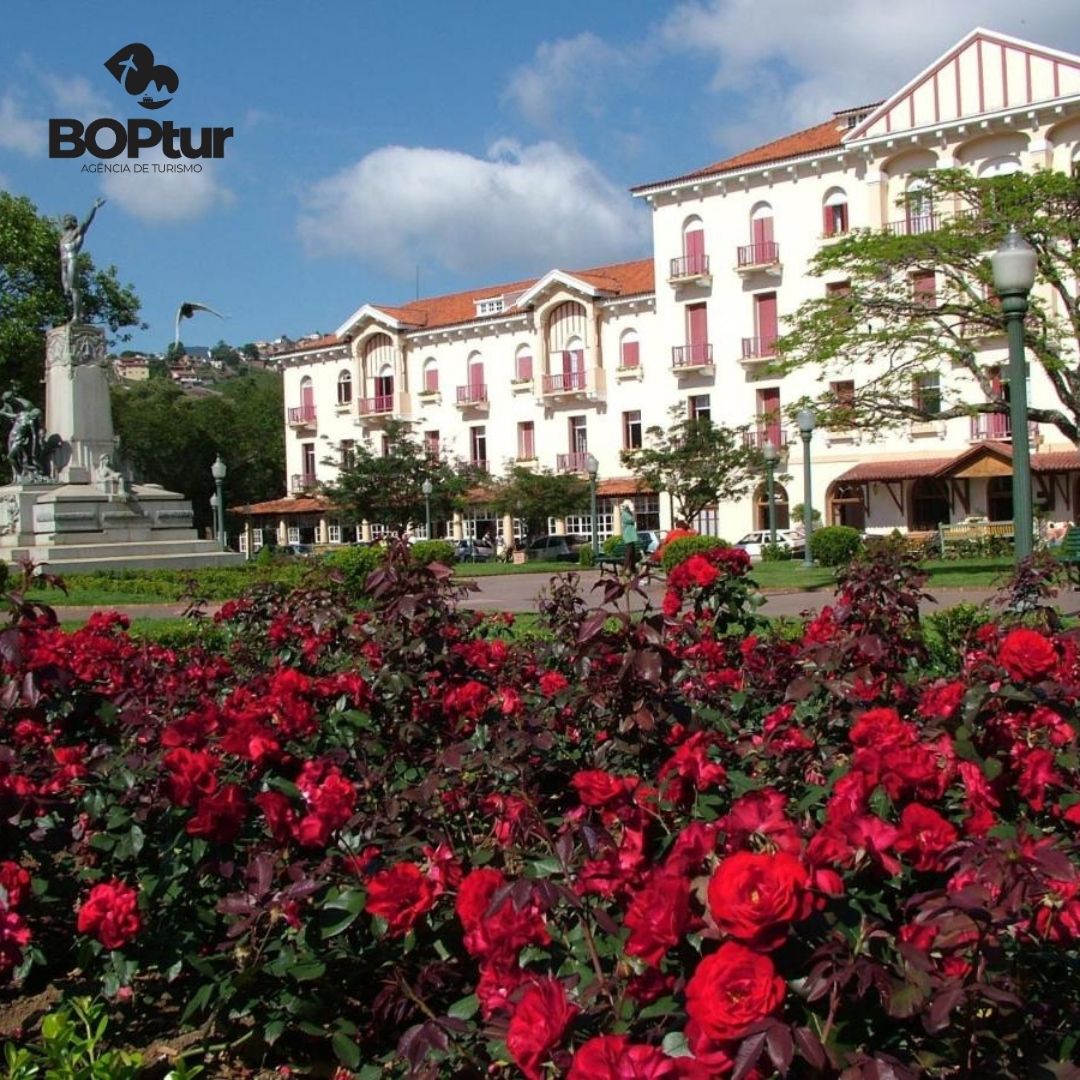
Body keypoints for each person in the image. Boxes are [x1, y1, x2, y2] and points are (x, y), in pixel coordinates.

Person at [59, 198, 105, 323]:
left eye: (67, 220)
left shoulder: (76, 233)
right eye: (64, 220)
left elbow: (86, 222)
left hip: (72, 260)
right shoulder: (62, 238)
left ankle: (77, 316)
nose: (64, 222)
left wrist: (94, 208)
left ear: (73, 222)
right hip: (63, 264)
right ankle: (77, 313)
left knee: (74, 288)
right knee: (67, 290)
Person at [620, 499, 639, 572]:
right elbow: (632, 520)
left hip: (630, 535)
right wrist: (633, 511)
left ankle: (632, 568)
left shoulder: (627, 513)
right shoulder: (624, 514)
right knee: (629, 552)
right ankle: (625, 568)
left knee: (632, 552)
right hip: (628, 535)